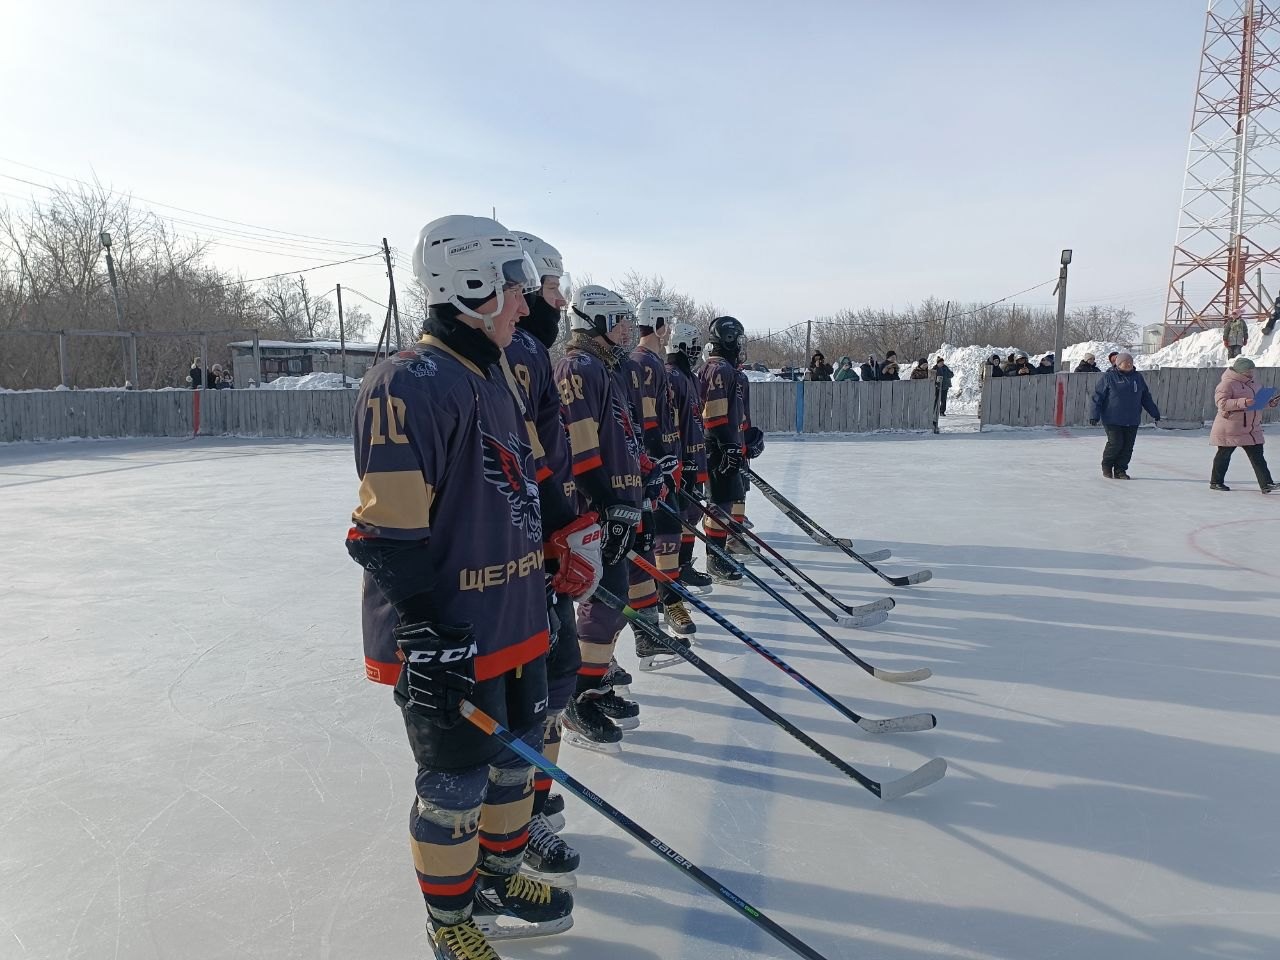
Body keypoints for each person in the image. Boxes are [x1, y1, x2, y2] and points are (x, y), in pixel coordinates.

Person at [345, 215, 576, 958]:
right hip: (453, 632)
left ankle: (502, 874)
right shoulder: (406, 383)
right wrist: (424, 631)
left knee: (516, 763)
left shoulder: (497, 375)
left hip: (515, 616)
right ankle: (449, 926)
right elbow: (385, 531)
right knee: (454, 787)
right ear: (470, 288)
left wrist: (555, 555)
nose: (526, 307)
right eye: (514, 291)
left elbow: (520, 492)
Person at [506, 230, 603, 876]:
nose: (558, 300)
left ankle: (532, 803)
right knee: (530, 689)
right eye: (550, 287)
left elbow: (548, 458)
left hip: (542, 547)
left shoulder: (533, 356)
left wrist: (572, 520)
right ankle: (514, 822)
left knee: (557, 675)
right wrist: (559, 522)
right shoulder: (510, 354)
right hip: (515, 559)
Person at [555, 285, 685, 751]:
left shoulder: (606, 368)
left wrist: (647, 471)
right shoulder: (579, 366)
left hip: (620, 503)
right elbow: (582, 448)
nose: (628, 328)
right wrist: (609, 501)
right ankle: (578, 696)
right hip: (599, 507)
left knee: (616, 598)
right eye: (619, 320)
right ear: (596, 323)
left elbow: (620, 439)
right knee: (604, 598)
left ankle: (598, 680)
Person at [631, 298, 694, 637]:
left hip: (668, 466)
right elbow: (645, 423)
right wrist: (657, 462)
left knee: (669, 536)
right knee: (664, 538)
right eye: (666, 322)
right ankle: (669, 601)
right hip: (653, 471)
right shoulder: (642, 363)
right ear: (655, 323)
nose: (669, 329)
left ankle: (669, 597)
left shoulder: (656, 364)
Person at [664, 320, 713, 595]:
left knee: (692, 514)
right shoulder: (670, 375)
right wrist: (681, 460)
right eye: (693, 346)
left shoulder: (691, 378)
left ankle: (683, 564)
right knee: (679, 515)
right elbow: (670, 424)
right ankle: (672, 571)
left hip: (697, 456)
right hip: (682, 462)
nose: (696, 352)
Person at [699, 317, 749, 583]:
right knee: (719, 505)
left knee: (726, 503)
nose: (740, 345)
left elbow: (733, 413)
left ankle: (720, 554)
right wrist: (728, 446)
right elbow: (714, 415)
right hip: (716, 448)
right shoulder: (719, 369)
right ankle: (715, 558)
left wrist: (745, 436)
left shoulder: (725, 368)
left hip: (723, 445)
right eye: (737, 339)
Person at [1209, 356, 1279, 492]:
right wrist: (1243, 402)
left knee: (1258, 456)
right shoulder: (1226, 384)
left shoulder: (1254, 383)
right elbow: (1221, 403)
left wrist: (1269, 403)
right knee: (1224, 455)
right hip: (1230, 427)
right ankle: (1216, 482)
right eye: (1249, 371)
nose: (1252, 373)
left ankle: (1267, 484)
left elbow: (1256, 402)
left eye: (1253, 370)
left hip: (1251, 427)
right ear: (1241, 371)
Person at [1089, 351, 1161, 479]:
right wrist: (1094, 415)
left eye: (1130, 362)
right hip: (1112, 418)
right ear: (1118, 364)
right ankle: (1107, 465)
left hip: (1132, 419)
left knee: (1128, 446)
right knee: (1115, 443)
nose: (1128, 364)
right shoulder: (1109, 377)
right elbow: (1097, 396)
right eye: (1125, 362)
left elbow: (1145, 397)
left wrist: (1154, 412)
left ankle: (1120, 470)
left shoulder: (1137, 377)